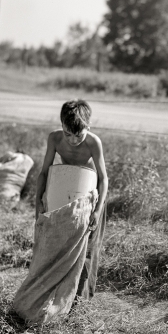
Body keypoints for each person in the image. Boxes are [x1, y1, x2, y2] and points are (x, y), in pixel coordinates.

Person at [35, 99, 108, 299]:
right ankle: (58, 293)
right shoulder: (55, 139)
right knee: (61, 243)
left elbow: (103, 179)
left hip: (90, 196)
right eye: (68, 134)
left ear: (88, 127)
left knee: (87, 248)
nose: (73, 140)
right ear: (62, 126)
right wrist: (38, 201)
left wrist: (98, 210)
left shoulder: (93, 142)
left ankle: (80, 298)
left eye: (79, 135)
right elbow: (44, 172)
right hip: (64, 191)